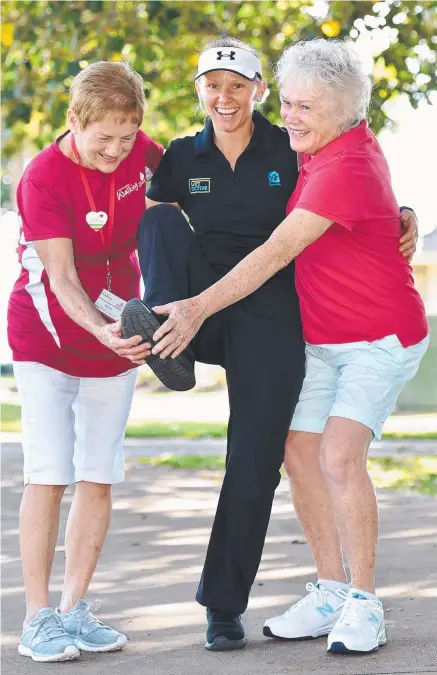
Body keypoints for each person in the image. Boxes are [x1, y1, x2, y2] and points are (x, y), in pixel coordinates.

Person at [121, 37, 419, 652]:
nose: (224, 96)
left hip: (273, 316)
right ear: (198, 88)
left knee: (258, 458)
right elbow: (111, 156)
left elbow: (339, 204)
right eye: (212, 84)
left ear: (257, 89)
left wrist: (402, 215)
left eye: (239, 84)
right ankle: (168, 346)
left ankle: (224, 607)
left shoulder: (298, 143)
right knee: (156, 220)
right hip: (200, 308)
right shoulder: (180, 156)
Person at [7, 61, 163, 662]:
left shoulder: (135, 153)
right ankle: (37, 618)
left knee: (99, 473)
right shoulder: (43, 178)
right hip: (48, 338)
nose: (117, 150)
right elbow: (63, 279)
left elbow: (195, 172)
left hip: (116, 334)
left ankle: (74, 610)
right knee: (50, 472)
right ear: (76, 120)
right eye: (105, 138)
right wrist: (102, 330)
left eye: (127, 137)